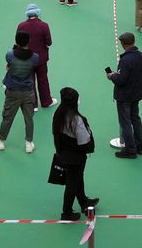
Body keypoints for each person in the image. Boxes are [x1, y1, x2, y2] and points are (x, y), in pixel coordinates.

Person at [0, 31, 39, 153]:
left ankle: (0, 141)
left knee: (7, 117)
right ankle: (29, 143)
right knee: (29, 118)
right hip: (28, 92)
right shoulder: (35, 57)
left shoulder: (10, 55)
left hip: (13, 92)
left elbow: (9, 64)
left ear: (16, 41)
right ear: (29, 42)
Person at [52, 87, 98, 221]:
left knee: (77, 177)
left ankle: (83, 201)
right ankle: (66, 212)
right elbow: (84, 141)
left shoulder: (58, 114)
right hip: (76, 156)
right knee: (72, 183)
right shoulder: (76, 120)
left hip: (63, 153)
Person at [107, 32, 142, 158]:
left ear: (123, 44)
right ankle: (139, 146)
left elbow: (121, 80)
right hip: (136, 94)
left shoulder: (125, 60)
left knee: (125, 122)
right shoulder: (141, 56)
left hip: (125, 96)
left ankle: (130, 150)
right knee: (136, 119)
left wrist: (112, 76)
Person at [17, 4, 56, 109]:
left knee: (30, 81)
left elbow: (18, 42)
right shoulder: (44, 25)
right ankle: (47, 101)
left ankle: (33, 105)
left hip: (27, 59)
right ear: (37, 12)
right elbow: (49, 42)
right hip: (41, 59)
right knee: (43, 80)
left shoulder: (21, 26)